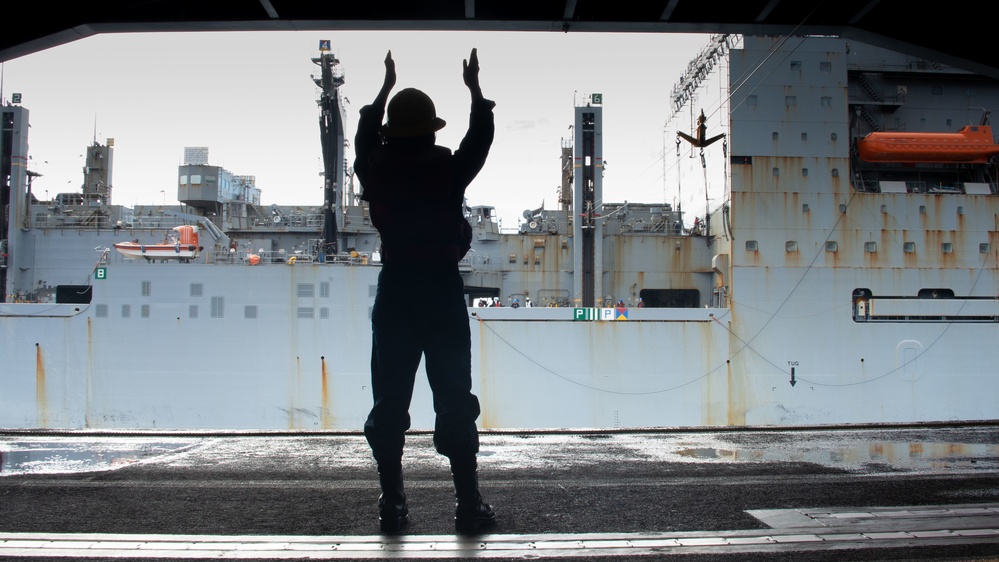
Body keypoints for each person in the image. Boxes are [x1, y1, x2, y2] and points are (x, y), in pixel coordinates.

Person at [353, 49, 496, 535]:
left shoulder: (375, 171)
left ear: (392, 131)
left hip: (395, 294)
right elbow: (479, 139)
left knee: (389, 402)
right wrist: (474, 89)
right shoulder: (448, 172)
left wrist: (384, 88)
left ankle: (392, 505)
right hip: (440, 292)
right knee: (454, 397)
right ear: (433, 132)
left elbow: (362, 137)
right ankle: (467, 505)